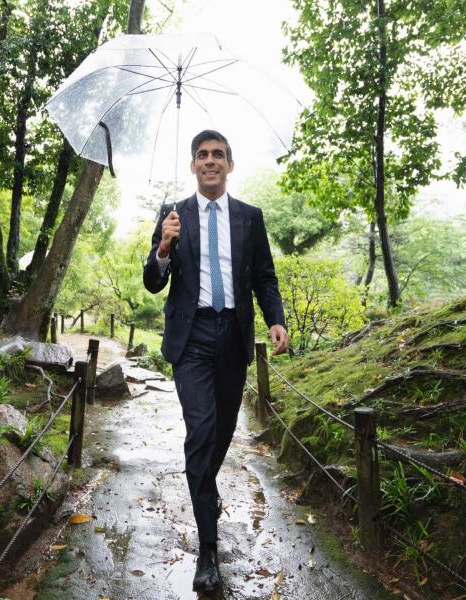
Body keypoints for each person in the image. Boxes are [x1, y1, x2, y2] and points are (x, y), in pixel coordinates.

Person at [143, 129, 290, 594]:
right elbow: (152, 282)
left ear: (229, 164)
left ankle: (204, 487)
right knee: (201, 430)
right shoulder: (173, 215)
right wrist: (163, 247)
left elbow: (264, 275)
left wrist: (276, 319)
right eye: (202, 155)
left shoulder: (250, 218)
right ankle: (208, 548)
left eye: (218, 155)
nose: (210, 161)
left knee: (223, 430)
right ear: (192, 166)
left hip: (234, 338)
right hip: (192, 338)